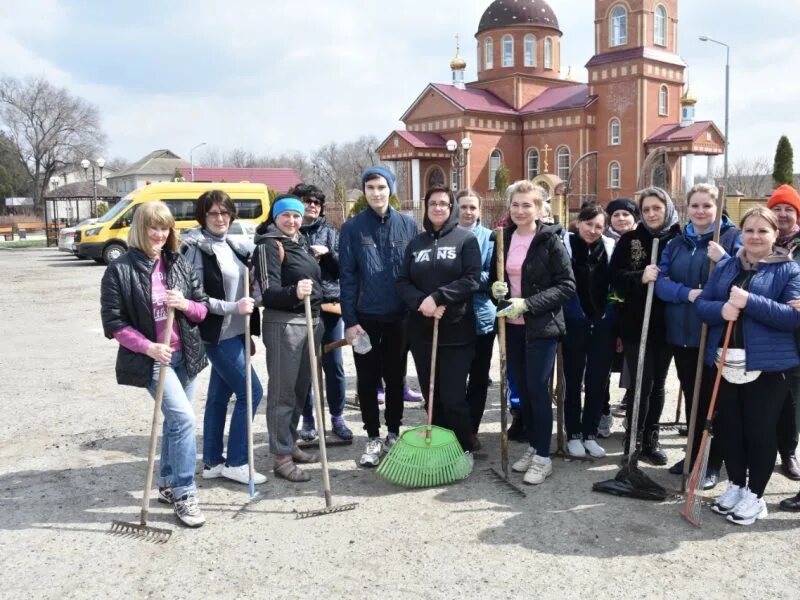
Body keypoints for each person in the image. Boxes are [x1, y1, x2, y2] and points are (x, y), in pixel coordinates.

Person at [100, 202, 209, 527]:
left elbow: (202, 309)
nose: (160, 235)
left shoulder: (178, 263)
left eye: (165, 228)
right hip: (153, 359)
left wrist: (184, 303)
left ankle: (166, 483)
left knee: (177, 424)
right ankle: (185, 492)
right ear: (140, 229)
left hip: (184, 355)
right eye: (154, 228)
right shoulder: (119, 270)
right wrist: (149, 348)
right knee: (184, 419)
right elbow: (114, 323)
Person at [696, 206, 800, 525]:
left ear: (775, 235)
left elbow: (793, 317)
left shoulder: (788, 270)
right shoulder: (727, 267)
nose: (755, 237)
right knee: (731, 430)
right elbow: (702, 304)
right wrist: (721, 309)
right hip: (726, 361)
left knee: (759, 432)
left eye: (762, 231)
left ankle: (756, 495)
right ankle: (737, 486)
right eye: (749, 230)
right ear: (742, 233)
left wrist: (750, 302)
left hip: (768, 368)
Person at [655, 183, 741, 488]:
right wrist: (688, 294)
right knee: (694, 396)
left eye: (707, 206)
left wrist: (726, 260)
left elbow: (747, 277)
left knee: (715, 400)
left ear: (717, 207)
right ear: (687, 207)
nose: (701, 211)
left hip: (717, 333)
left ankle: (713, 462)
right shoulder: (677, 242)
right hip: (683, 331)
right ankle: (693, 453)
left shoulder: (731, 238)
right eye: (695, 206)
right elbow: (661, 283)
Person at [490, 180, 576, 485]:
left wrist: (528, 303)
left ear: (540, 208)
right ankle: (533, 446)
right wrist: (496, 291)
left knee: (538, 391)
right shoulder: (503, 237)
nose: (520, 210)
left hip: (542, 328)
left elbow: (567, 286)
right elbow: (495, 280)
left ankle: (543, 456)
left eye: (528, 205)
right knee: (522, 392)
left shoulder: (551, 240)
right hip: (511, 329)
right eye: (515, 204)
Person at [181, 190, 266, 486]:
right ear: (202, 216)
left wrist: (246, 325)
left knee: (219, 397)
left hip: (235, 332)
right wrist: (235, 307)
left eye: (224, 212)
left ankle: (213, 461)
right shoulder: (196, 249)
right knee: (252, 392)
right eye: (213, 213)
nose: (220, 218)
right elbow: (197, 299)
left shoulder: (231, 244)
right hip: (216, 335)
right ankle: (238, 462)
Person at [339, 166, 419, 467]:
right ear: (365, 191)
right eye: (370, 187)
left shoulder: (408, 226)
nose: (376, 193)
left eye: (381, 187)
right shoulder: (352, 229)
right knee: (368, 379)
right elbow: (347, 277)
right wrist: (350, 320)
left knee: (396, 378)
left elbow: (413, 273)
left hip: (399, 316)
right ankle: (372, 436)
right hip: (365, 319)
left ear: (391, 189)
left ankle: (394, 432)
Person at [397, 186, 481, 467]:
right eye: (433, 203)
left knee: (454, 396)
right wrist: (422, 302)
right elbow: (402, 281)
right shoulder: (416, 243)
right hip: (422, 332)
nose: (438, 208)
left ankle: (464, 448)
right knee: (432, 397)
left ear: (451, 208)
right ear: (426, 207)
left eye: (444, 204)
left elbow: (471, 280)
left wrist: (439, 297)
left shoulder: (465, 240)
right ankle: (442, 448)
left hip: (457, 331)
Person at [609, 186, 681, 465]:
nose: (651, 214)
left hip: (666, 325)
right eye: (647, 209)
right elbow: (615, 277)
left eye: (657, 208)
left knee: (659, 384)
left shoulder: (678, 239)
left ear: (667, 209)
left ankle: (650, 440)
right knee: (641, 383)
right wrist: (640, 276)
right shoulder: (629, 240)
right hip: (635, 324)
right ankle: (632, 440)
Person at [253, 195, 322, 482]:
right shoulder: (269, 245)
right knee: (283, 392)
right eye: (286, 216)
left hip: (311, 322)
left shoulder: (300, 241)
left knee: (299, 389)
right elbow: (268, 293)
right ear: (275, 217)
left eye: (296, 216)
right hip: (285, 325)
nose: (292, 221)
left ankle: (290, 442)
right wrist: (295, 291)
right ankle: (281, 457)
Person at [292, 183, 353, 442]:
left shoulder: (331, 233)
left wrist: (328, 255)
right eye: (307, 201)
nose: (312, 206)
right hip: (300, 307)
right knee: (305, 367)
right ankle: (308, 418)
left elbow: (343, 269)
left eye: (316, 202)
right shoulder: (290, 233)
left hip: (329, 305)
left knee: (334, 365)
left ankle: (337, 417)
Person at [561, 202, 615, 458]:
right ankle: (572, 433)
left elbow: (616, 287)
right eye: (588, 224)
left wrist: (610, 314)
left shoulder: (610, 248)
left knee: (598, 381)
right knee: (572, 381)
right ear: (578, 222)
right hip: (574, 323)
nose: (593, 230)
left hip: (602, 324)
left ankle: (590, 433)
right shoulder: (565, 245)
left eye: (598, 226)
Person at [455, 189, 496, 449]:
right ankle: (456, 427)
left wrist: (464, 277)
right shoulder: (448, 236)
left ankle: (472, 429)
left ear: (479, 210)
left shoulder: (490, 238)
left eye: (473, 207)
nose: (468, 212)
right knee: (456, 377)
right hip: (454, 317)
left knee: (479, 377)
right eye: (464, 207)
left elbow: (492, 277)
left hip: (482, 316)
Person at [767, 184, 800, 481]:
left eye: (788, 209)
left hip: (797, 336)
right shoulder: (759, 243)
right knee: (766, 397)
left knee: (792, 399)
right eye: (776, 208)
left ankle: (788, 452)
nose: (781, 214)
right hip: (765, 334)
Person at [602, 198, 639, 434]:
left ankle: (633, 414)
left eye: (626, 214)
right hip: (610, 310)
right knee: (603, 364)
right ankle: (602, 412)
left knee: (634, 365)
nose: (621, 218)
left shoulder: (640, 242)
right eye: (616, 215)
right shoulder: (604, 241)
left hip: (635, 312)